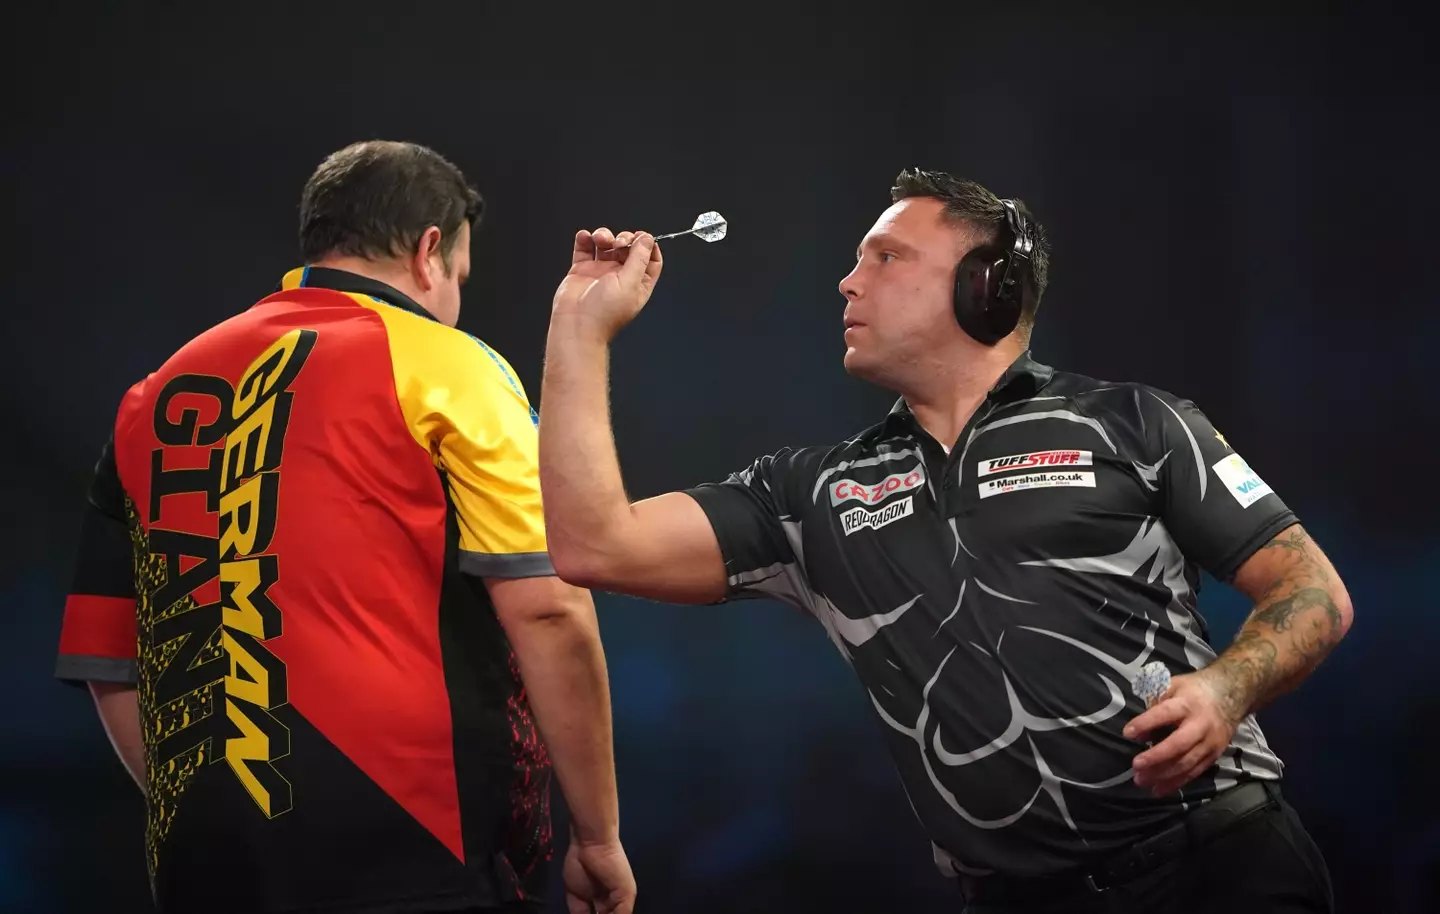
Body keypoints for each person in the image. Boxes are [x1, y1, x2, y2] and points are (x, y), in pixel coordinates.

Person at [535, 168, 1350, 913]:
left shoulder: (1133, 423)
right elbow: (593, 546)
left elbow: (1312, 590)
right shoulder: (812, 494)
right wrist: (579, 327)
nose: (848, 280)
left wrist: (1225, 689)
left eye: (885, 258)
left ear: (984, 288)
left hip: (1225, 867)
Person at [54, 140, 635, 914]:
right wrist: (598, 838)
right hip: (414, 852)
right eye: (460, 277)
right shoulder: (448, 365)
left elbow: (108, 663)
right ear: (431, 252)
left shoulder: (152, 396)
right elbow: (548, 606)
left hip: (205, 866)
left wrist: (211, 816)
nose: (456, 298)